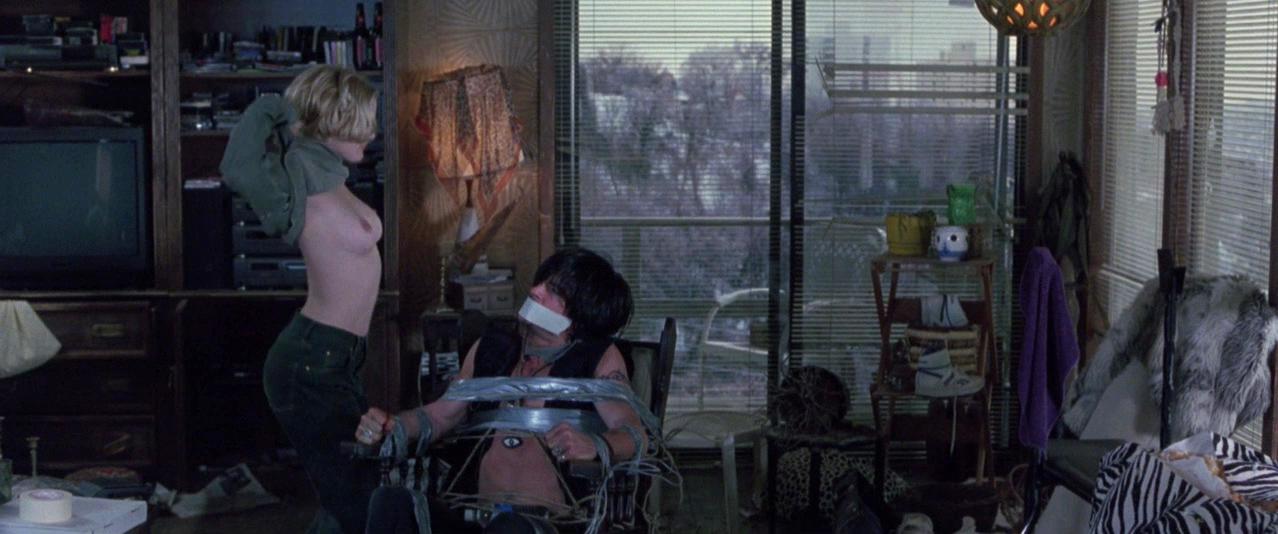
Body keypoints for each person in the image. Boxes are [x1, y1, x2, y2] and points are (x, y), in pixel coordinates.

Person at [355, 247, 647, 530]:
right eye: (541, 282)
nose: (535, 291)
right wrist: (394, 426)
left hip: (547, 524)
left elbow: (634, 435)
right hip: (474, 517)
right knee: (390, 502)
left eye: (554, 292)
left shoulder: (598, 358)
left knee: (510, 528)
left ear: (580, 314)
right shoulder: (491, 350)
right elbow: (439, 416)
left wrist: (596, 445)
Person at [219, 64, 382, 534]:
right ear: (329, 121)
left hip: (340, 357)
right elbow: (237, 166)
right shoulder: (296, 178)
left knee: (352, 495)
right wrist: (284, 109)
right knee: (353, 499)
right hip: (311, 360)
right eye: (360, 122)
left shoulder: (331, 176)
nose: (371, 133)